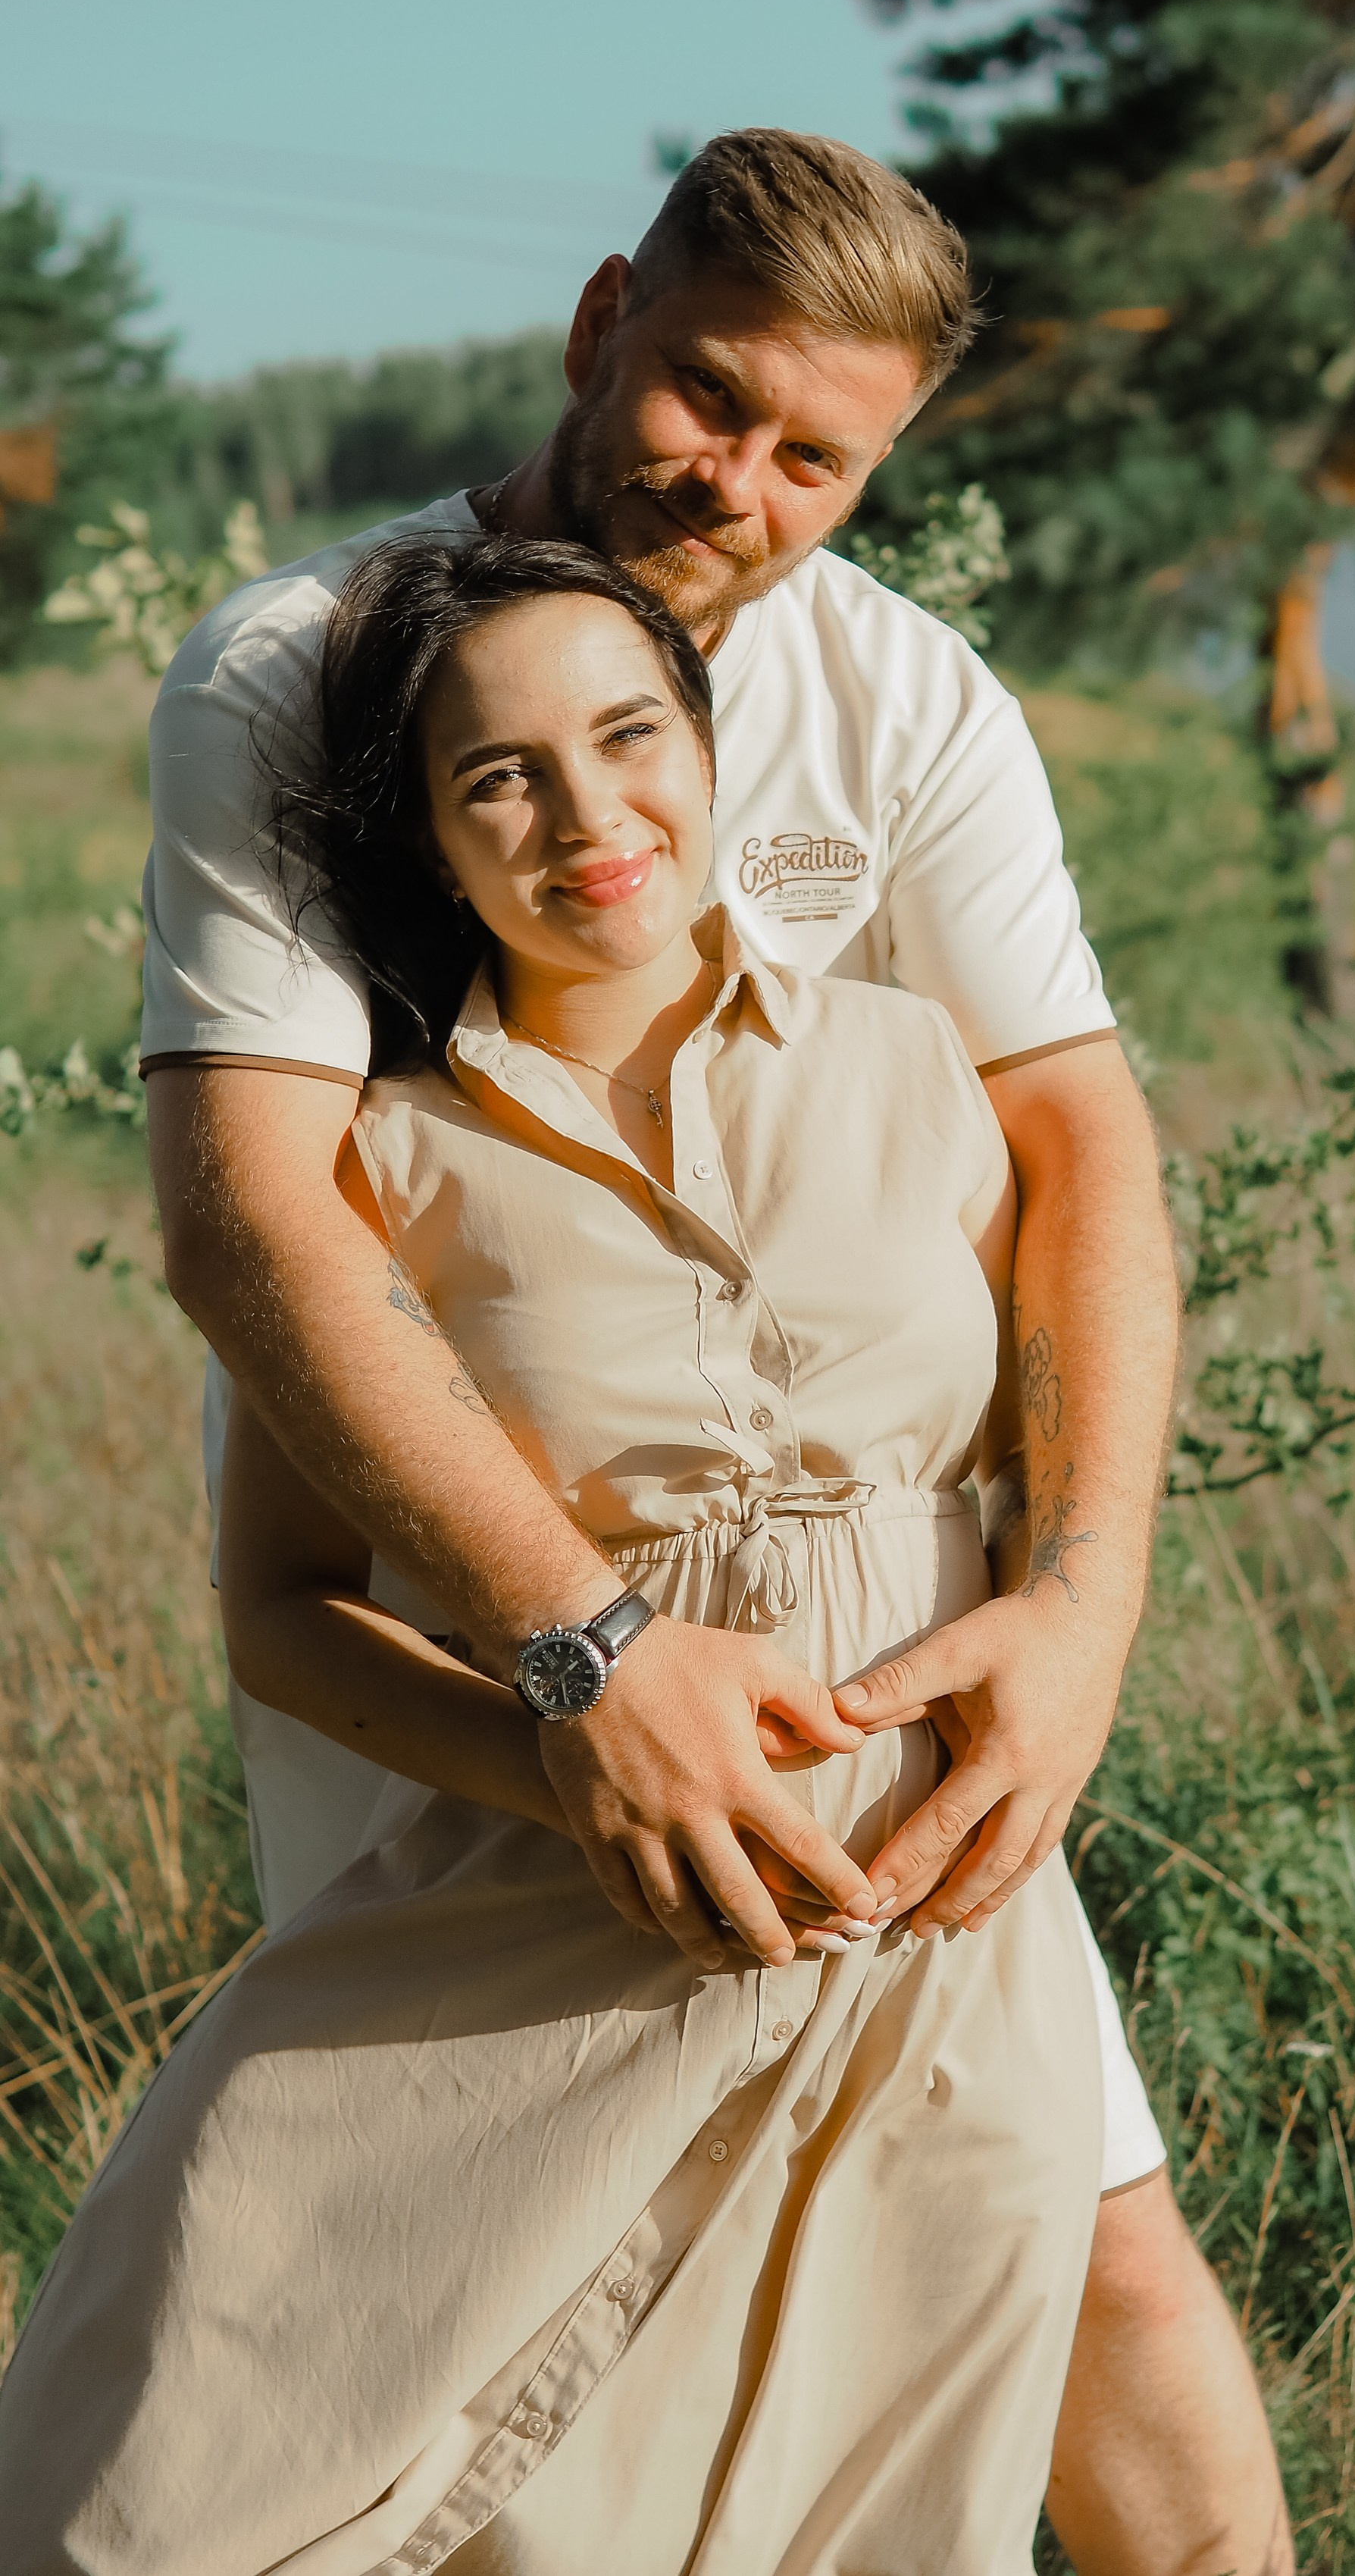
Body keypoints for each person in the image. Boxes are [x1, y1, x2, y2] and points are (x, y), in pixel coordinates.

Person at [139, 131, 1290, 2574]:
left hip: (888, 1698)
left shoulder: (911, 700)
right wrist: (585, 1660)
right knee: (455, 2389)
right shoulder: (305, 665)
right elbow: (255, 1221)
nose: (739, 485)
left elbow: (1086, 1161)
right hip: (475, 1646)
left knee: (1086, 2253)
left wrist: (1079, 1614)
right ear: (598, 323)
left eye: (816, 456)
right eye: (707, 398)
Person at [0, 532, 1106, 2574]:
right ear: (425, 831)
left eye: (627, 734)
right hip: (530, 1950)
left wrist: (1072, 1615)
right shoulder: (376, 1163)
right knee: (153, 2490)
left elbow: (1051, 1465)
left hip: (934, 1974)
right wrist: (569, 1765)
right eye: (497, 773)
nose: (587, 815)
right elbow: (280, 1612)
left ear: (708, 746)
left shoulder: (917, 1073)